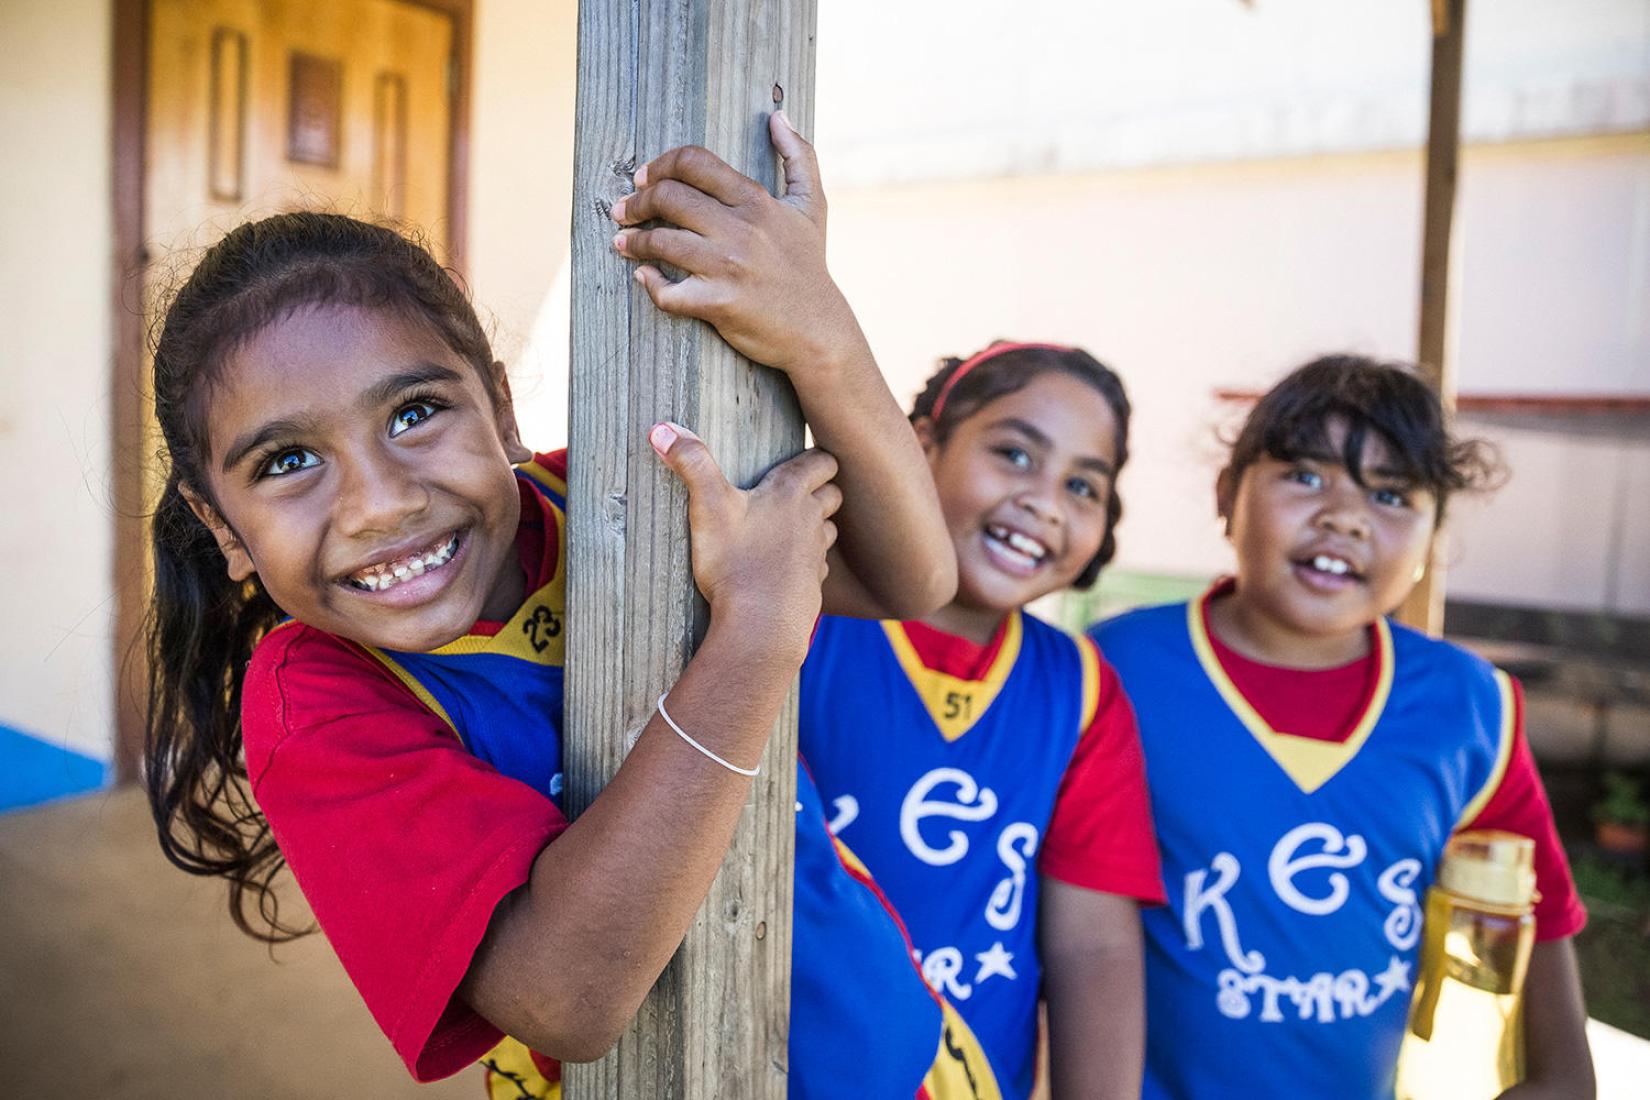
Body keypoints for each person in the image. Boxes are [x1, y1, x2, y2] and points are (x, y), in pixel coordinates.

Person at [144, 113, 1003, 1099]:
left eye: (415, 413)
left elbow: (910, 576)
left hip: (906, 1059)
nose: (379, 502)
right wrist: (757, 627)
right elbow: (569, 995)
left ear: (502, 410)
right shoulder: (319, 701)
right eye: (287, 461)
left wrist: (822, 329)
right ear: (223, 529)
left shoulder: (600, 499)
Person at [1091, 355, 1595, 1100]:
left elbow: (1541, 947)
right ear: (1227, 495)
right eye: (1304, 475)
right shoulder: (1114, 672)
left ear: (1432, 542)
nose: (1345, 515)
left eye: (1391, 494)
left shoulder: (1469, 709)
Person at [799, 342, 1166, 1100]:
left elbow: (1092, 945)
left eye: (1084, 486)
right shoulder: (801, 616)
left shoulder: (1083, 691)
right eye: (1015, 454)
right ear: (919, 445)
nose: (1046, 502)